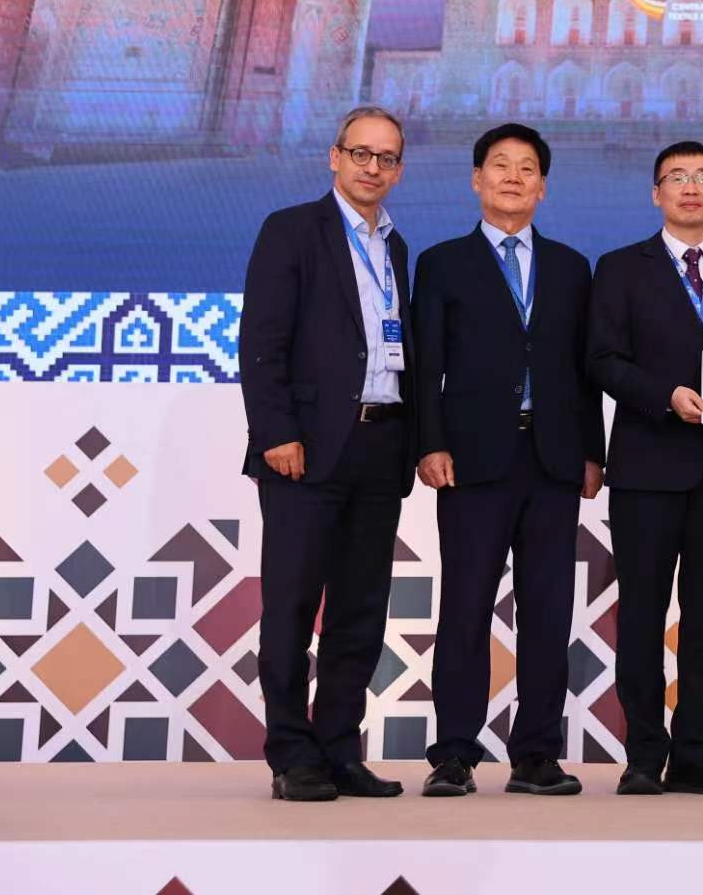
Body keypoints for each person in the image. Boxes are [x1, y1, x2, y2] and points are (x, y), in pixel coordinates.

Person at [412, 124, 605, 798]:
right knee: (465, 607)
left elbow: (584, 372)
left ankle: (537, 754)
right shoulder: (441, 263)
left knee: (548, 612)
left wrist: (592, 452)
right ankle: (453, 754)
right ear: (477, 179)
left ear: (543, 187)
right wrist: (429, 442)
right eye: (500, 165)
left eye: (527, 168)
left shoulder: (571, 267)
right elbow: (426, 365)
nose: (513, 177)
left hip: (552, 461)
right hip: (471, 461)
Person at [238, 106, 415, 802]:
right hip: (305, 449)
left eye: (386, 158)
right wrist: (275, 432)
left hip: (381, 445)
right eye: (360, 153)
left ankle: (340, 748)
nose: (373, 167)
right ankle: (292, 754)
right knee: (291, 606)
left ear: (399, 170)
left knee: (359, 611)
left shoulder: (395, 247)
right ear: (334, 157)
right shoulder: (291, 230)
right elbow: (262, 342)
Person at [588, 141, 703, 795]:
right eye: (677, 177)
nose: (691, 188)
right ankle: (643, 753)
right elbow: (603, 360)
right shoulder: (619, 269)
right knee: (640, 615)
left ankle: (695, 750)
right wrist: (663, 396)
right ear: (656, 193)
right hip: (646, 469)